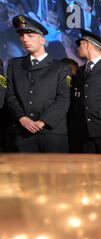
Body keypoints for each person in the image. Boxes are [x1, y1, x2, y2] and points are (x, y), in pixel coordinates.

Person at [6, 15, 71, 153]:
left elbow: (63, 99)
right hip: (23, 133)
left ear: (42, 39)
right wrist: (22, 118)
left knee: (55, 173)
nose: (25, 39)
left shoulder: (60, 68)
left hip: (52, 132)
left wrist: (42, 122)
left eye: (30, 35)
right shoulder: (15, 65)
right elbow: (10, 95)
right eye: (22, 35)